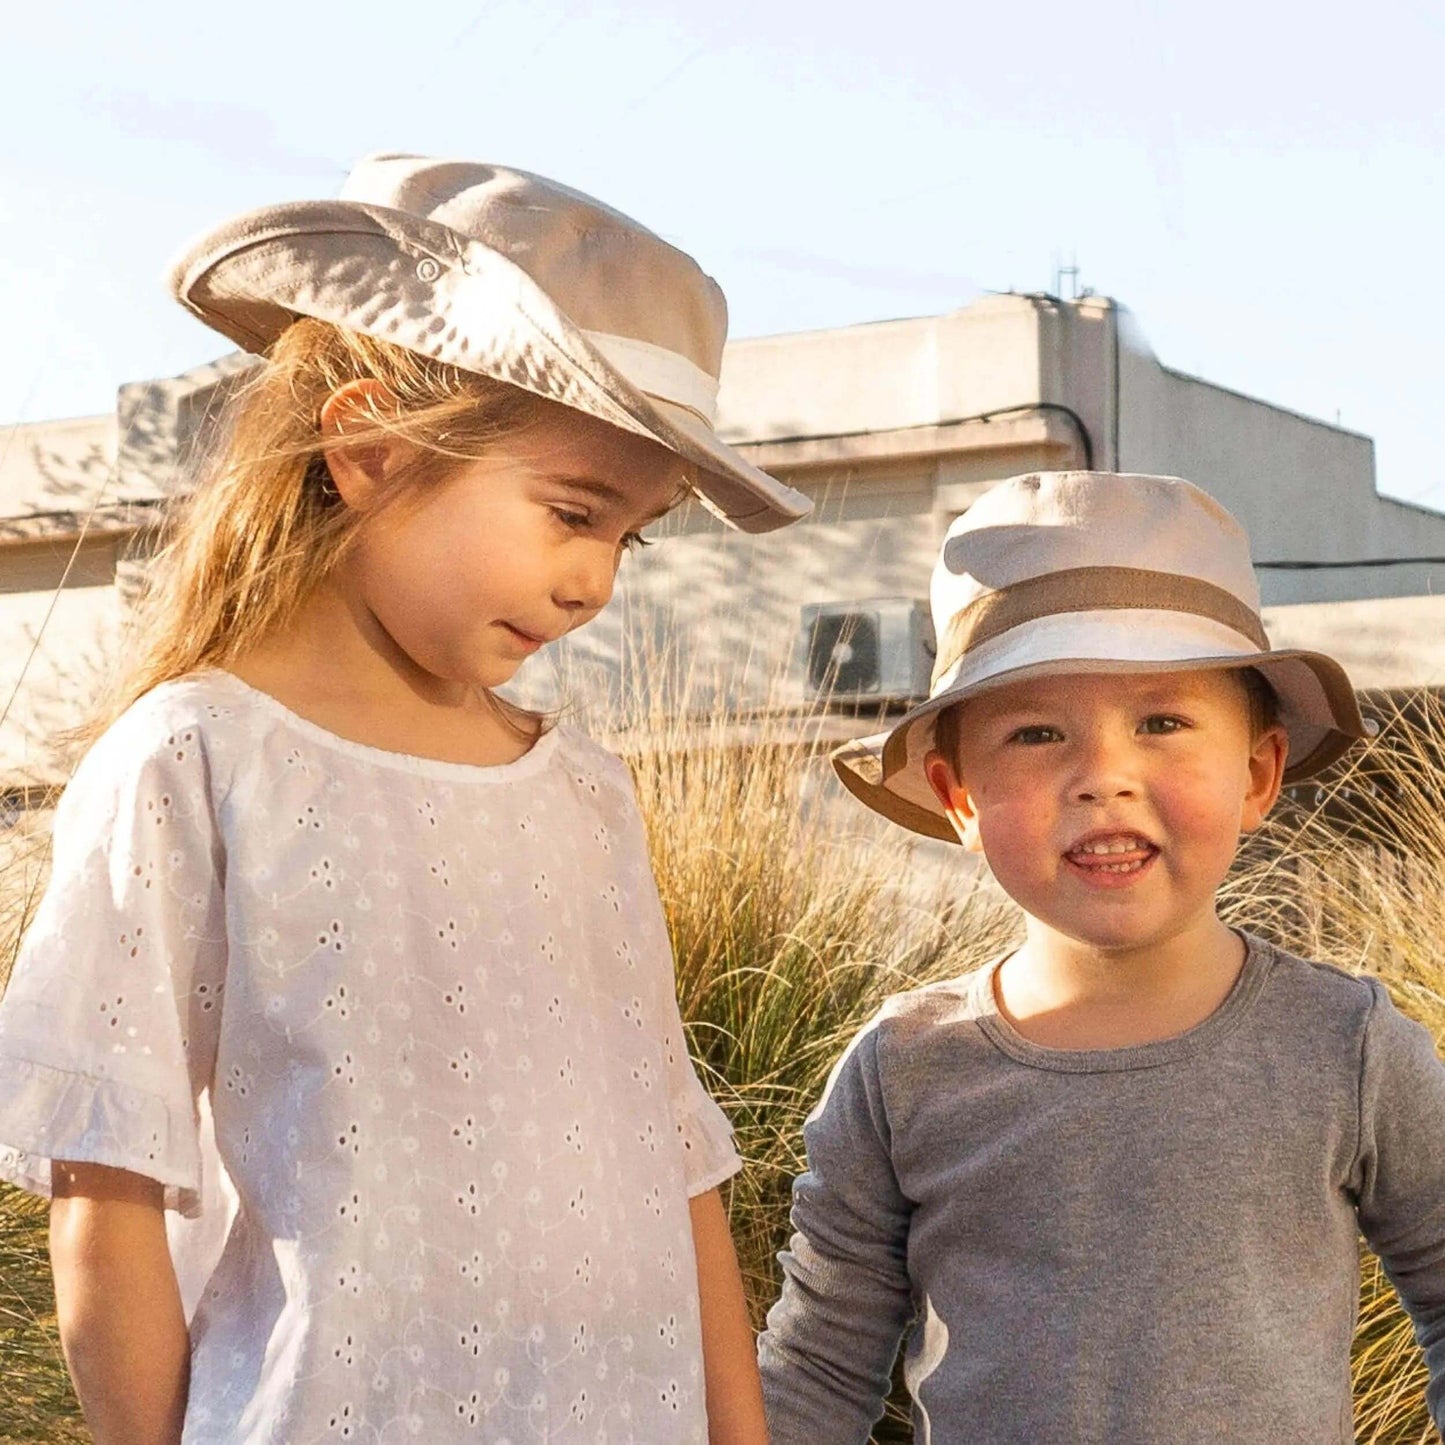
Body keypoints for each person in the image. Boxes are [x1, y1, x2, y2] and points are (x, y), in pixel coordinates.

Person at [0, 153, 810, 1444]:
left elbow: (680, 1163)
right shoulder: (195, 762)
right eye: (571, 510)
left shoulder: (585, 796)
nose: (596, 579)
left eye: (628, 536)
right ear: (372, 444)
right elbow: (107, 1189)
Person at [757, 471, 1445, 1443]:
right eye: (1036, 732)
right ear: (957, 796)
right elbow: (818, 1368)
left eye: (1160, 722)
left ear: (1257, 773)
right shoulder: (900, 1069)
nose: (1103, 778)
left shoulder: (1344, 1045)